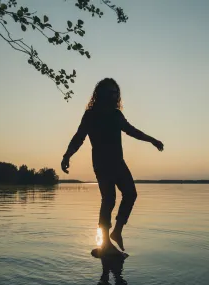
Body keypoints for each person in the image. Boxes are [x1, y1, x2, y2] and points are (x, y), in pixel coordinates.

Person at [61, 78, 164, 254]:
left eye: (116, 92)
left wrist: (152, 140)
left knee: (130, 194)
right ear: (100, 94)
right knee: (109, 199)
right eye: (110, 92)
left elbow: (132, 131)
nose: (113, 95)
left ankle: (117, 231)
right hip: (102, 163)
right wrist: (67, 155)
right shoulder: (91, 115)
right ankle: (106, 242)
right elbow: (79, 137)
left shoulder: (116, 115)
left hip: (118, 162)